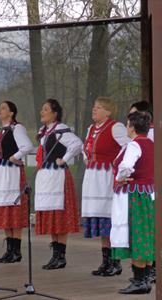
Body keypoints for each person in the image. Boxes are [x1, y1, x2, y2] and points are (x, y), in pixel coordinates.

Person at [82, 97, 131, 276]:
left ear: (108, 112)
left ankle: (115, 262)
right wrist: (86, 157)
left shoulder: (115, 127)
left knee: (109, 219)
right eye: (94, 106)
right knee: (102, 220)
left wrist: (117, 165)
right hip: (93, 178)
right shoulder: (91, 128)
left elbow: (129, 147)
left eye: (99, 107)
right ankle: (106, 261)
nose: (94, 109)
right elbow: (84, 147)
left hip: (106, 178)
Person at [34, 99, 82, 270]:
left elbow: (77, 144)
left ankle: (61, 257)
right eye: (42, 108)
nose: (42, 111)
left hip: (58, 176)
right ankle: (56, 256)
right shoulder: (44, 131)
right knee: (52, 215)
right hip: (47, 177)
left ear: (54, 114)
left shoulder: (60, 129)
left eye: (45, 109)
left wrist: (64, 159)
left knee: (59, 215)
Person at [110, 111, 154, 294]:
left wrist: (121, 177)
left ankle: (138, 282)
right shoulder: (151, 144)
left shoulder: (135, 145)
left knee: (136, 235)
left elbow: (126, 166)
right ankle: (145, 281)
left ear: (132, 127)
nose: (127, 128)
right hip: (149, 194)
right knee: (147, 235)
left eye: (128, 125)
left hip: (135, 196)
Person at [0, 101, 33, 263]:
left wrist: (14, 158)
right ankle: (9, 250)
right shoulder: (1, 130)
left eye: (4, 108)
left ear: (12, 113)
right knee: (4, 209)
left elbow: (27, 146)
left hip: (12, 174)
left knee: (13, 209)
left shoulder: (16, 128)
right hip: (1, 174)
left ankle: (17, 251)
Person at [128, 100, 155, 283]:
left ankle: (147, 273)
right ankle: (146, 274)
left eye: (134, 115)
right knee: (148, 229)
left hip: (145, 187)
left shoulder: (148, 136)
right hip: (149, 185)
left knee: (145, 229)